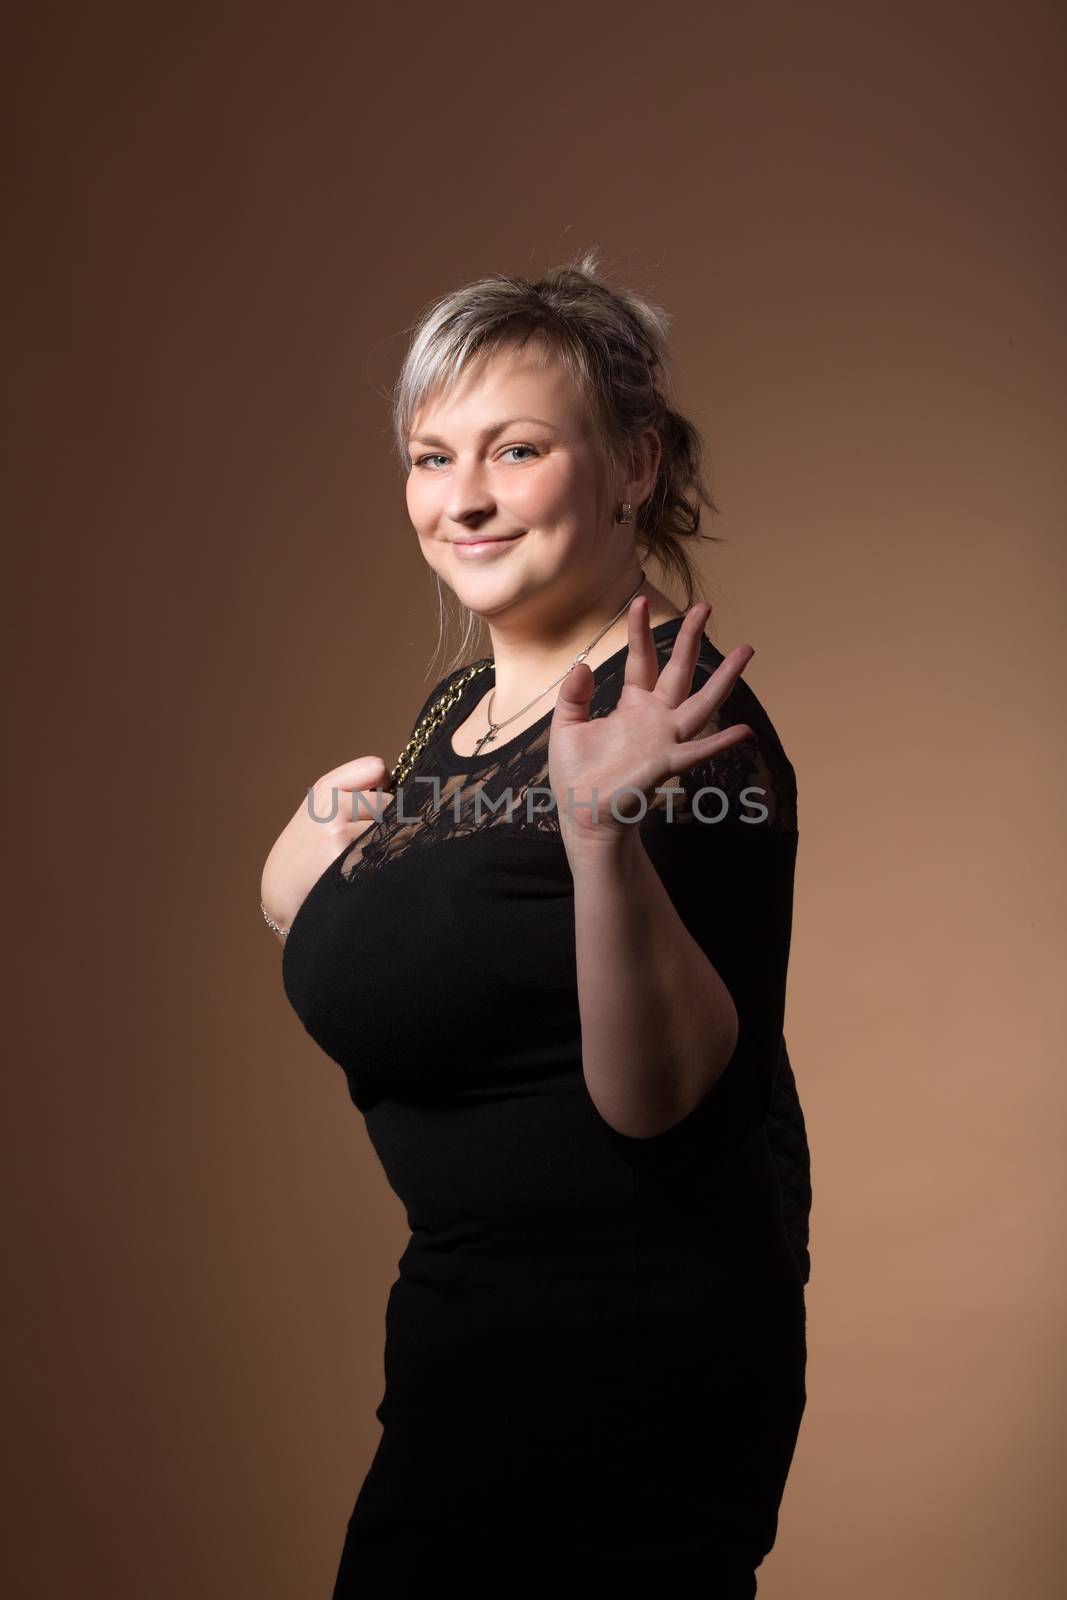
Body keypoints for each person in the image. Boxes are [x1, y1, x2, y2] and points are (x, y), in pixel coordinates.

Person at [261, 250, 812, 1598]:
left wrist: (601, 840)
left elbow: (667, 1100)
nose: (462, 499)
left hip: (629, 1373)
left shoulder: (686, 729)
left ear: (633, 463)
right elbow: (416, 954)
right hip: (462, 1344)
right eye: (429, 456)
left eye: (513, 450)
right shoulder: (453, 723)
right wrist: (297, 875)